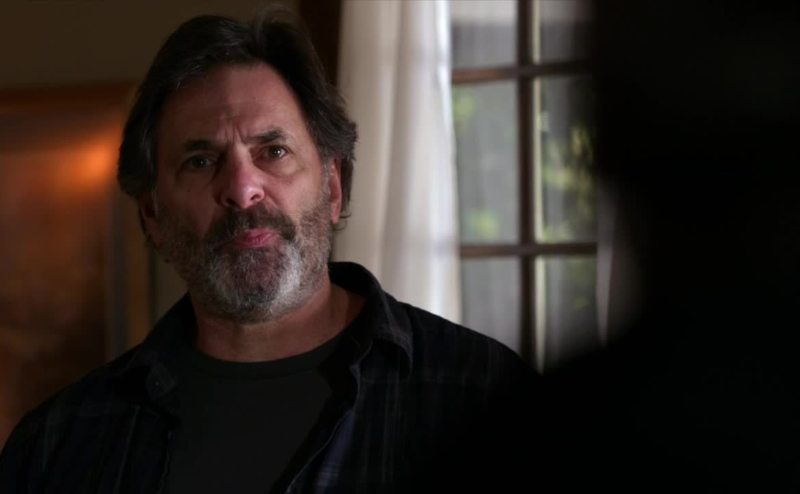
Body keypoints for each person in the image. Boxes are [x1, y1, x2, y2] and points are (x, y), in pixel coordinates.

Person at [0, 9, 538, 493]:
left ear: (332, 187)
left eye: (274, 151)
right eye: (200, 161)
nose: (242, 189)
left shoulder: (482, 398)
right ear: (152, 215)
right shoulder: (57, 447)